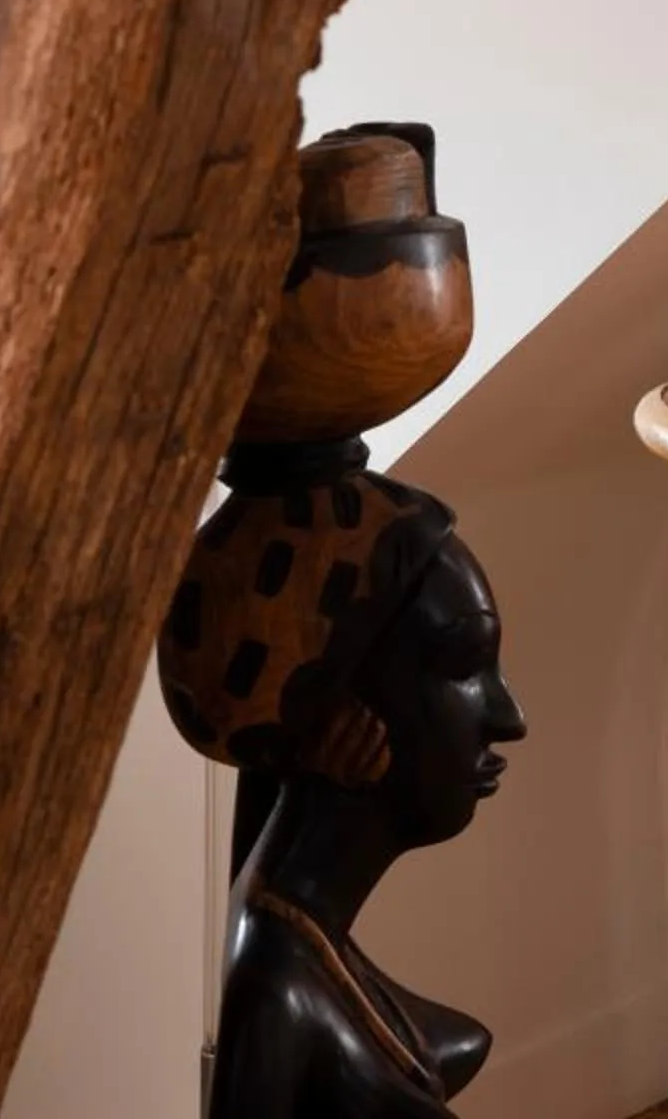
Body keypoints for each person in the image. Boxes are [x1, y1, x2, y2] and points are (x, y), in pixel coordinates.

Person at [159, 465, 526, 1117]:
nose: (507, 718)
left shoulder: (303, 949)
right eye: (464, 665)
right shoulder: (278, 994)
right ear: (340, 715)